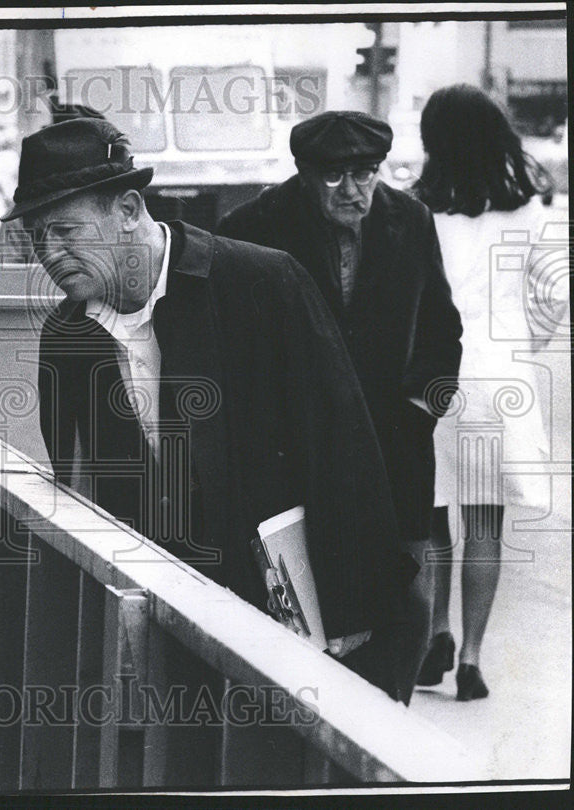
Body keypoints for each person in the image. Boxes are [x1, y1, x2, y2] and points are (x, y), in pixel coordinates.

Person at [2, 118, 420, 703]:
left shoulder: (260, 282)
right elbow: (81, 487)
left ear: (127, 209)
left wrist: (354, 610)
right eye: (38, 236)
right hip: (172, 622)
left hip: (302, 617)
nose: (49, 253)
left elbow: (344, 446)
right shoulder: (67, 334)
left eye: (66, 231)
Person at [217, 111, 464, 704]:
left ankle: (392, 716)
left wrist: (420, 407)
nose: (353, 190)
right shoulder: (254, 226)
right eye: (335, 178)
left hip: (394, 444)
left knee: (405, 592)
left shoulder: (410, 219)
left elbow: (442, 331)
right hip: (298, 449)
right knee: (308, 596)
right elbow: (232, 350)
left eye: (366, 173)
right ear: (304, 173)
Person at [413, 84, 561, 701]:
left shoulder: (414, 210)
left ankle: (434, 637)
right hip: (499, 381)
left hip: (432, 379)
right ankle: (472, 660)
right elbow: (556, 295)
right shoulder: (532, 211)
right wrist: (520, 347)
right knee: (485, 523)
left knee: (433, 516)